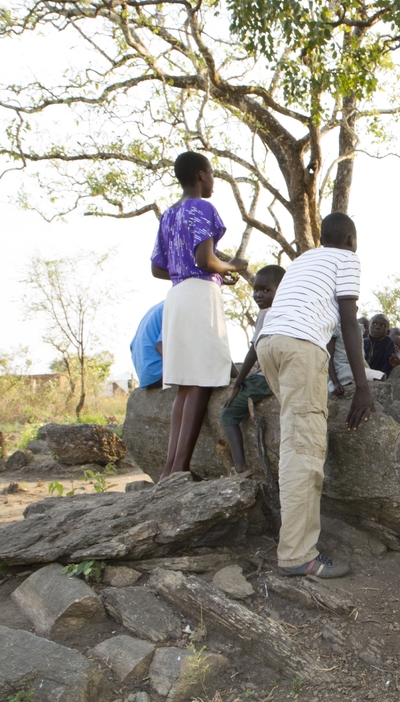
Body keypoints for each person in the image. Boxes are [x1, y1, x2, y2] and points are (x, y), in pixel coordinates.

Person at [255, 212, 374, 578]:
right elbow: (349, 322)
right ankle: (297, 554)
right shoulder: (347, 259)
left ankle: (295, 541)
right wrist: (362, 387)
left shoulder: (304, 259)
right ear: (352, 240)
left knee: (295, 439)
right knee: (304, 450)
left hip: (269, 345)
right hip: (300, 347)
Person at [150, 151, 248, 481]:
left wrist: (208, 272)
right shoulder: (202, 208)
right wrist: (232, 266)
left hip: (177, 294)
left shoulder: (169, 214)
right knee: (202, 380)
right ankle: (180, 469)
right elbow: (206, 260)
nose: (214, 181)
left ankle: (168, 469)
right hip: (198, 294)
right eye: (212, 174)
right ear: (201, 176)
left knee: (185, 385)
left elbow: (157, 268)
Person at [220, 265, 286, 477]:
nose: (258, 295)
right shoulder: (291, 312)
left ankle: (240, 468)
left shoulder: (267, 314)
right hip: (284, 373)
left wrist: (238, 382)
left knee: (228, 414)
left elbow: (254, 351)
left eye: (265, 290)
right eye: (256, 290)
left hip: (265, 377)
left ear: (281, 289)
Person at [130, 301, 164, 390]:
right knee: (199, 380)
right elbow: (161, 345)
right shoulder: (176, 306)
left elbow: (132, 346)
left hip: (144, 376)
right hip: (158, 373)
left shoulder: (157, 307)